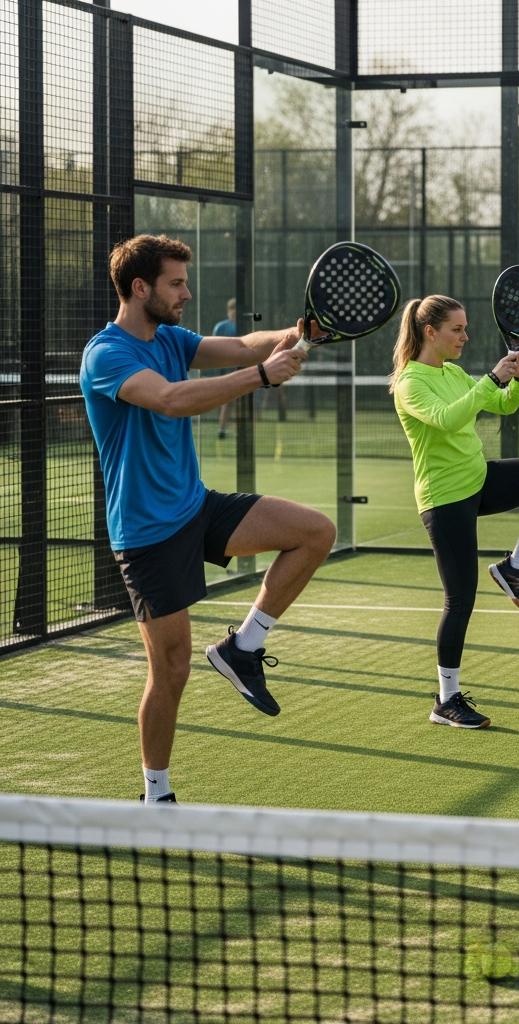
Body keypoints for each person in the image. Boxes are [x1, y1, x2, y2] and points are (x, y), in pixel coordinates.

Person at [80, 234, 336, 804]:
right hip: (146, 534)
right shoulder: (106, 354)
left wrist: (299, 335)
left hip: (195, 506)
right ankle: (156, 795)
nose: (187, 293)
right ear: (139, 287)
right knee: (170, 672)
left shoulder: (171, 338)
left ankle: (243, 648)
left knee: (315, 532)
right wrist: (262, 376)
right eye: (176, 283)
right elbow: (170, 399)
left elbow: (247, 344)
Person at [391, 295, 519, 729]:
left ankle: (515, 568)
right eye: (457, 329)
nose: (465, 337)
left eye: (465, 328)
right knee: (460, 601)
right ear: (430, 333)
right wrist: (493, 377)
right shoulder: (409, 383)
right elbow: (451, 418)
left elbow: (503, 405)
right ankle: (446, 700)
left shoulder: (452, 372)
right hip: (445, 497)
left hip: (478, 479)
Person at [213, 298, 238, 439]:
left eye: (236, 310)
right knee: (226, 402)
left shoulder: (245, 326)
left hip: (242, 370)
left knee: (243, 404)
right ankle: (221, 430)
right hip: (225, 371)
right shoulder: (220, 327)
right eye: (232, 309)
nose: (234, 313)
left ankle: (239, 430)